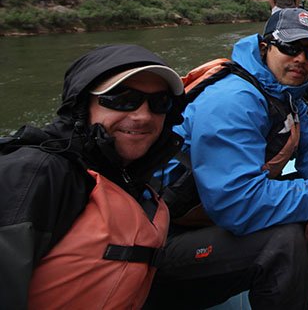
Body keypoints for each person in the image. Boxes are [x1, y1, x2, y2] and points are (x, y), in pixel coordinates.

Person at [146, 8, 308, 309]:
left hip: (212, 217)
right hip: (164, 241)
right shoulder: (234, 100)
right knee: (282, 242)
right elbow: (237, 204)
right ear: (264, 48)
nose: (301, 58)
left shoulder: (284, 95)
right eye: (290, 47)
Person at [0, 45, 185, 309]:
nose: (143, 116)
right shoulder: (32, 174)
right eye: (122, 99)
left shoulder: (129, 171)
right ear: (81, 106)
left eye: (159, 103)